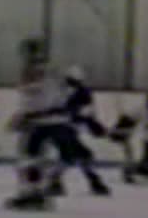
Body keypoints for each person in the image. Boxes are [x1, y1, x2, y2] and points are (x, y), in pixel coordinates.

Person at [3, 38, 83, 212]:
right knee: (40, 158)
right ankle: (41, 188)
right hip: (53, 121)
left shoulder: (39, 71)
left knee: (28, 158)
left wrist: (26, 116)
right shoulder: (54, 70)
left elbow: (39, 98)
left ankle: (33, 193)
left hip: (40, 122)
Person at [45, 66, 112, 197]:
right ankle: (93, 182)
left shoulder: (81, 93)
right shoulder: (61, 92)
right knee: (75, 155)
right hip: (58, 128)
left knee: (76, 155)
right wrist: (94, 126)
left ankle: (55, 180)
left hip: (65, 128)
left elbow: (86, 114)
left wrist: (96, 127)